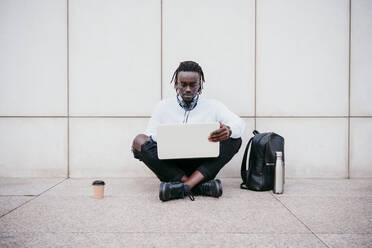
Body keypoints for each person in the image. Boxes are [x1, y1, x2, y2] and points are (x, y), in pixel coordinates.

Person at [132, 61, 245, 201]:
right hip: (172, 167)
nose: (187, 89)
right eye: (183, 84)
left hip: (202, 167)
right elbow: (149, 137)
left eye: (193, 84)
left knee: (235, 139)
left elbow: (240, 124)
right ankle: (198, 186)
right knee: (139, 141)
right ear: (176, 83)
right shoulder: (162, 107)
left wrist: (228, 130)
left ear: (200, 84)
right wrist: (168, 138)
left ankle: (182, 187)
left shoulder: (213, 106)